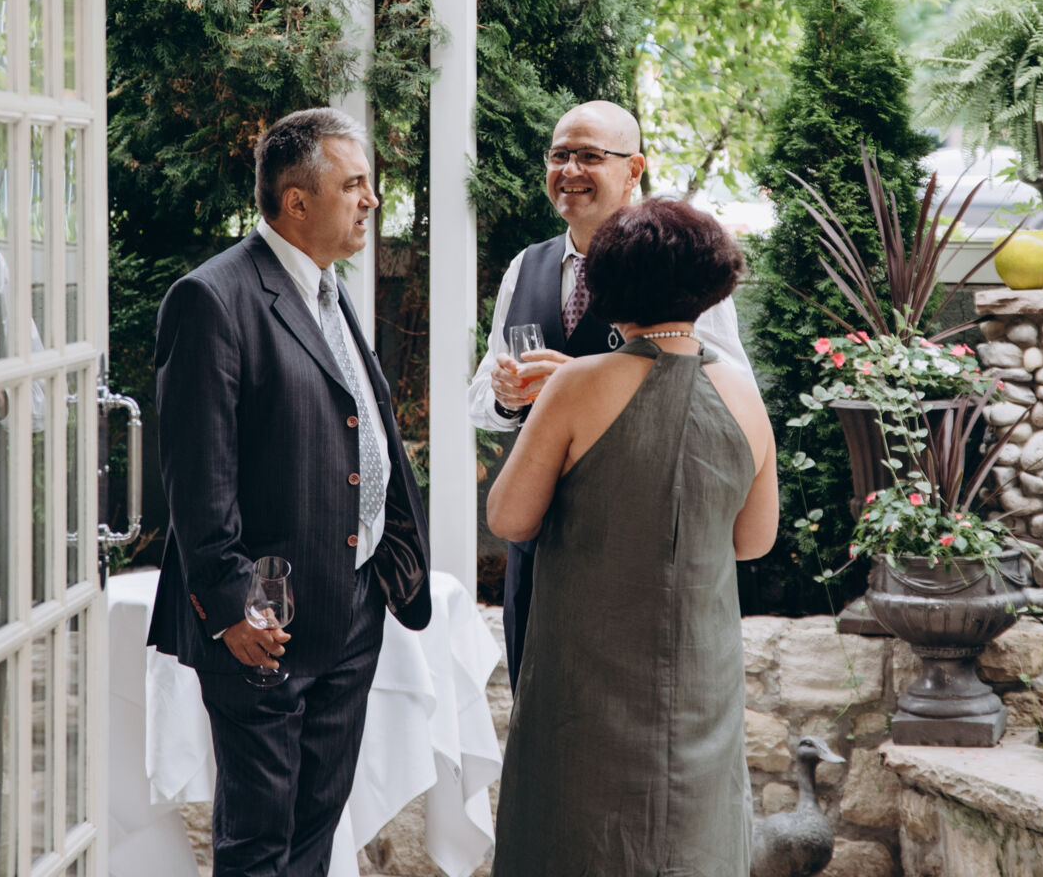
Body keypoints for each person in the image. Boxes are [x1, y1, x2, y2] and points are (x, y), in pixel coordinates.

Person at [147, 107, 432, 877]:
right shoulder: (212, 299)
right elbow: (196, 474)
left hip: (352, 612)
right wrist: (231, 603)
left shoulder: (329, 289)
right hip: (264, 623)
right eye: (355, 184)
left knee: (314, 833)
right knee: (259, 843)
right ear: (297, 201)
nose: (372, 199)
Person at [485, 199, 778, 877]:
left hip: (586, 677)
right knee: (693, 839)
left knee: (575, 840)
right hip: (699, 675)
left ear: (607, 285)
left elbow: (509, 518)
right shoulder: (743, 392)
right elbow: (755, 540)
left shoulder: (577, 384)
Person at [467, 99, 750, 680]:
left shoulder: (677, 267)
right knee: (533, 696)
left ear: (633, 169)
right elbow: (480, 401)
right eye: (559, 156)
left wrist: (583, 387)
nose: (569, 170)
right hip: (535, 540)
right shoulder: (526, 266)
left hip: (634, 545)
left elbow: (726, 392)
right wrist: (503, 396)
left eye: (590, 156)